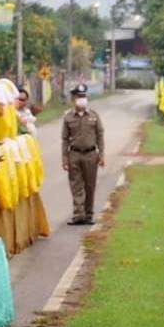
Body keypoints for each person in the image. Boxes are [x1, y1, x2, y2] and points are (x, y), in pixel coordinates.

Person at [61, 83, 104, 225]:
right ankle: (78, 215)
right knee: (76, 185)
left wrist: (102, 155)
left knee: (90, 186)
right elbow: (65, 139)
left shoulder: (94, 116)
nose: (82, 99)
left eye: (84, 96)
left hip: (91, 155)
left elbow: (100, 136)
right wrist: (65, 159)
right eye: (79, 96)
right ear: (73, 99)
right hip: (74, 154)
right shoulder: (68, 117)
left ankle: (89, 215)